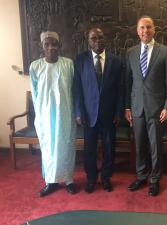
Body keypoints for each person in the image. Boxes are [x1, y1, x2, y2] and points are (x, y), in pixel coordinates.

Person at [125, 16, 167, 196]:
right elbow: (128, 82)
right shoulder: (131, 52)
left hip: (157, 109)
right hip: (137, 108)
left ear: (154, 29)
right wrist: (127, 107)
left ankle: (155, 179)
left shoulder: (165, 52)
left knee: (156, 146)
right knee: (140, 145)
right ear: (137, 31)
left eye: (148, 27)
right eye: (141, 28)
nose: (145, 31)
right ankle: (141, 176)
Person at [74, 28, 123, 193]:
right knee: (90, 149)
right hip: (88, 115)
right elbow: (78, 89)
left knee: (109, 149)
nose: (97, 41)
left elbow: (120, 90)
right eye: (93, 38)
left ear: (105, 38)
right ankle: (91, 178)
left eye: (100, 38)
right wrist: (79, 112)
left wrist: (118, 112)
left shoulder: (116, 61)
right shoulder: (80, 60)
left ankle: (106, 178)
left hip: (109, 115)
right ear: (88, 40)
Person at [29, 31, 76, 197]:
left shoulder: (68, 64)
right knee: (49, 148)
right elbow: (35, 94)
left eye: (54, 44)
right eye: (47, 44)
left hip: (66, 114)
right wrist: (40, 116)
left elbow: (74, 90)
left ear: (59, 45)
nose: (51, 48)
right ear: (42, 47)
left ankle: (69, 180)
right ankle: (51, 181)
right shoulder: (35, 66)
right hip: (45, 116)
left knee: (66, 146)